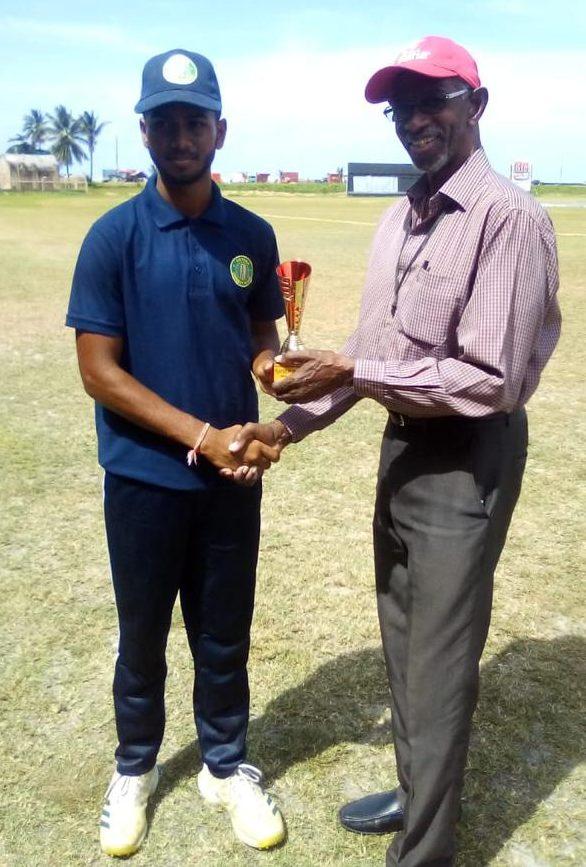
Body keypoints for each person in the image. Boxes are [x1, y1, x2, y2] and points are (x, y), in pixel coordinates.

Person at [229, 35, 561, 866]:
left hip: (466, 459)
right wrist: (288, 424)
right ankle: (415, 794)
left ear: (475, 105)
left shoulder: (508, 219)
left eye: (434, 98)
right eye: (400, 105)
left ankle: (425, 853)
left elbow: (492, 380)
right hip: (404, 448)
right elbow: (371, 352)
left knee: (440, 664)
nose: (415, 118)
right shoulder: (399, 216)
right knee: (405, 641)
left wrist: (358, 367)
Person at [66, 49, 286, 858]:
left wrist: (272, 368)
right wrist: (198, 433)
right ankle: (135, 768)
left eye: (196, 121)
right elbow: (99, 369)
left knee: (224, 632)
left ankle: (225, 764)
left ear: (220, 130)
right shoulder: (112, 236)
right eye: (166, 121)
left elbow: (260, 333)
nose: (182, 135)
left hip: (234, 474)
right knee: (143, 631)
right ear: (145, 130)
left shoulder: (251, 234)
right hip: (145, 478)